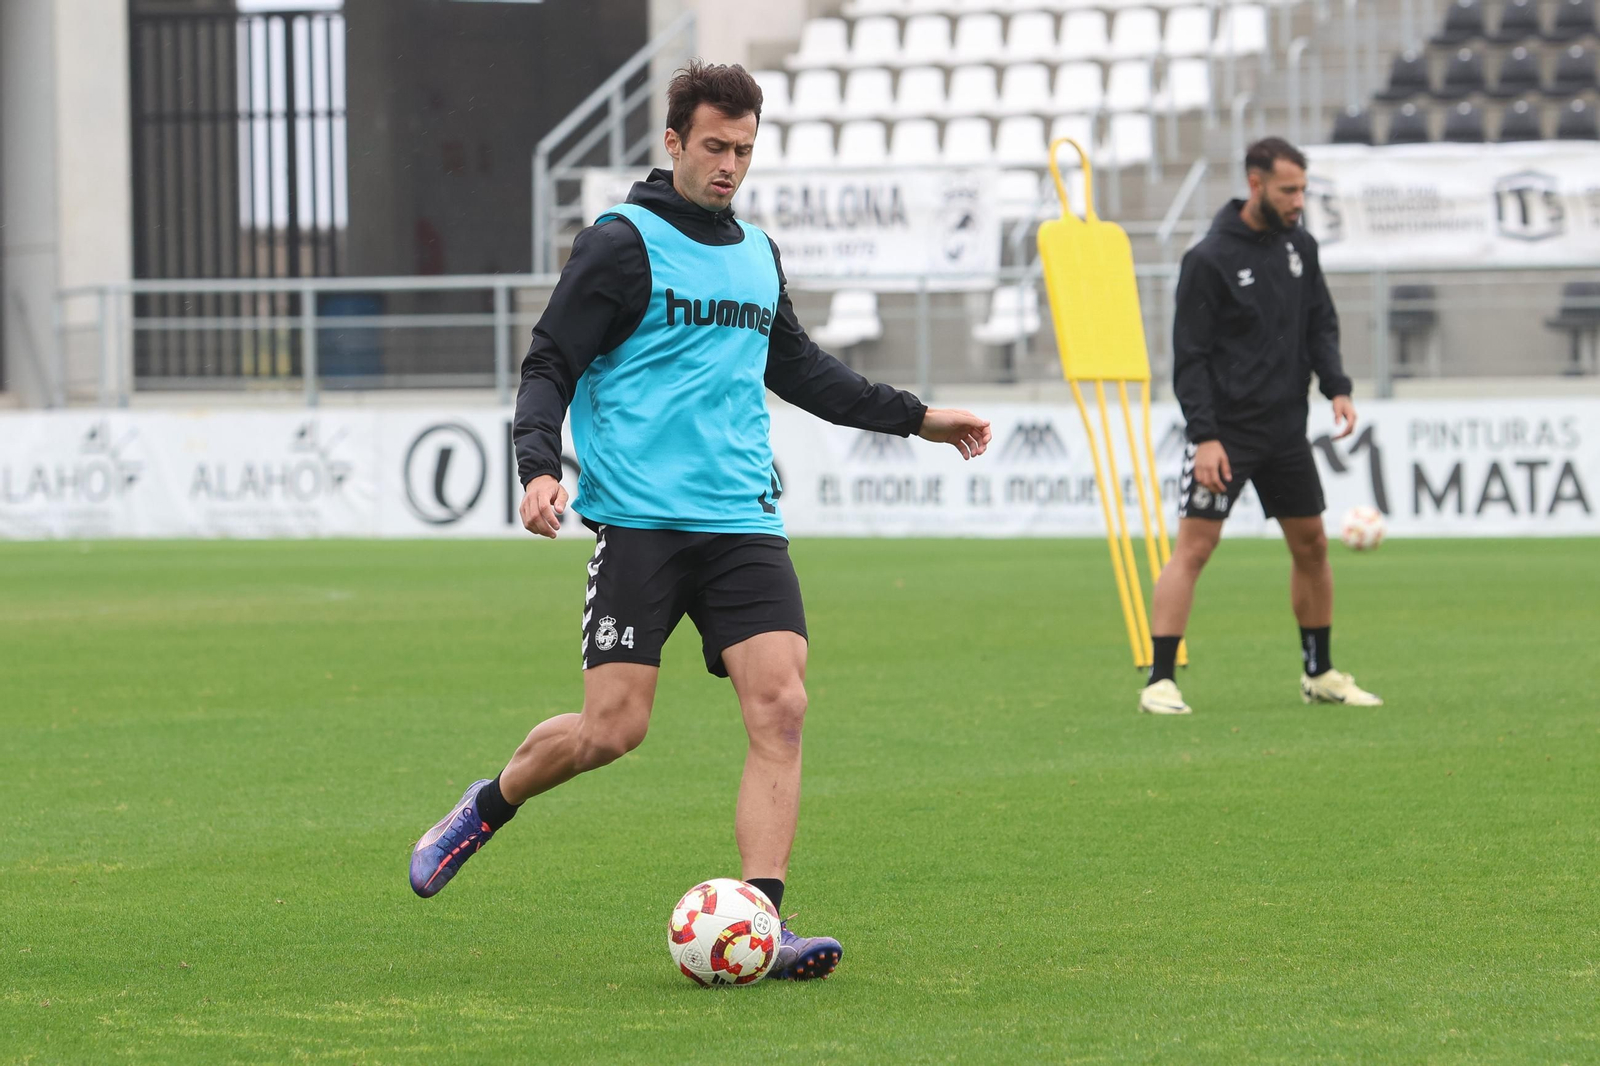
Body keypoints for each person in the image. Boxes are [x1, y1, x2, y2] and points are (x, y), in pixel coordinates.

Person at [407, 61, 992, 980]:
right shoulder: (619, 243)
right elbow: (550, 361)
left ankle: (763, 921)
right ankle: (487, 807)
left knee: (783, 706)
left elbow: (804, 372)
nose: (730, 166)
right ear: (674, 141)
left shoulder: (756, 253)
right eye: (715, 147)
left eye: (745, 151)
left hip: (742, 520)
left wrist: (919, 419)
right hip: (641, 523)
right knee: (612, 731)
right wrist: (537, 468)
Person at [1138, 137, 1382, 716]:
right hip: (1225, 434)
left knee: (1312, 544)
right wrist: (1204, 436)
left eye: (1302, 190)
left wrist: (1337, 386)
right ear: (1256, 184)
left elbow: (1320, 322)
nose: (1298, 201)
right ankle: (1160, 681)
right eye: (1288, 190)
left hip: (1285, 430)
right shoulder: (1208, 258)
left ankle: (1319, 673)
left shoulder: (1301, 246)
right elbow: (1190, 358)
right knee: (1195, 549)